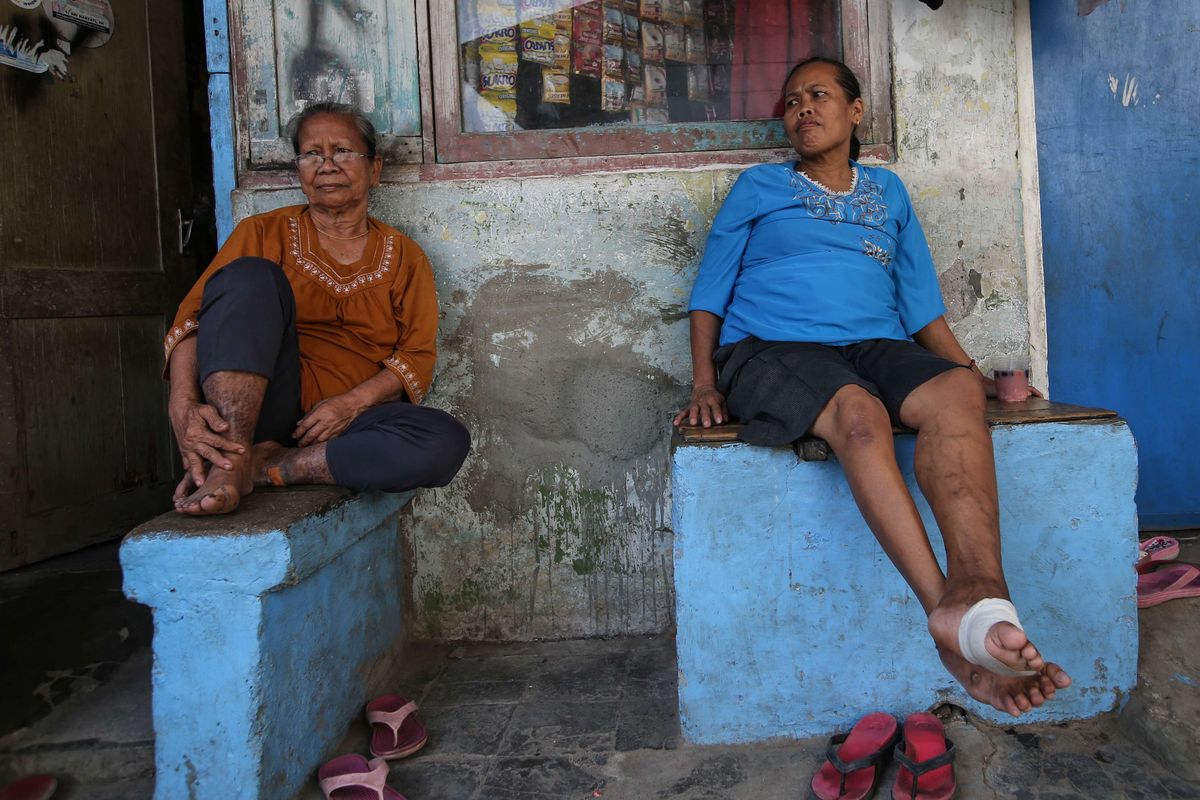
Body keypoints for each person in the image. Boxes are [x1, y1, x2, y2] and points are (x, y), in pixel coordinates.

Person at [673, 57, 1072, 717]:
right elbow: (709, 290)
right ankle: (946, 623)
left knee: (952, 395)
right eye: (792, 99)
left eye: (819, 95)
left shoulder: (887, 193)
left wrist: (972, 376)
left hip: (874, 345)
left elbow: (920, 306)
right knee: (859, 415)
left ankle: (981, 591)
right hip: (770, 348)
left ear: (855, 112)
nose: (802, 108)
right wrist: (706, 378)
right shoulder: (758, 188)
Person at [165, 101, 470, 516]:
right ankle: (233, 457)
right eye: (312, 154)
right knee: (248, 277)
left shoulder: (404, 256)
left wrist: (350, 404)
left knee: (443, 441)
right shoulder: (262, 232)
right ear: (300, 171)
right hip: (258, 412)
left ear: (374, 169)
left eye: (343, 151)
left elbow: (415, 360)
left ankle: (271, 466)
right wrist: (181, 405)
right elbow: (193, 322)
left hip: (344, 426)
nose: (327, 165)